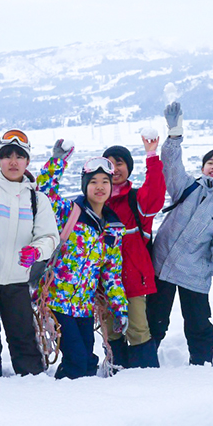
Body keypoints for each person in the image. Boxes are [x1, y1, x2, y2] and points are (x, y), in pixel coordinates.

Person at [146, 102, 213, 366]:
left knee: (198, 324)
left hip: (195, 272)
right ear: (203, 167)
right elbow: (171, 166)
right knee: (155, 320)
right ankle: (145, 363)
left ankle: (202, 364)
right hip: (163, 264)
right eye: (210, 162)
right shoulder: (186, 188)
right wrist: (174, 136)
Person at [0, 129, 59, 377]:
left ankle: (34, 386)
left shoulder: (37, 199)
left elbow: (49, 237)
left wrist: (36, 251)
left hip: (17, 281)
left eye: (20, 156)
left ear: (28, 161)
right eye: (7, 156)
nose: (13, 161)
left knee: (24, 340)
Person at [36, 142, 128, 379]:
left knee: (87, 361)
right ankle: (68, 405)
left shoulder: (113, 228)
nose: (100, 187)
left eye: (105, 182)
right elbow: (43, 192)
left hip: (84, 307)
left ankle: (70, 401)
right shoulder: (69, 212)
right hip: (57, 302)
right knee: (77, 359)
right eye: (94, 182)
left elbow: (111, 274)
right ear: (85, 186)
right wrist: (57, 161)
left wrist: (120, 308)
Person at [101, 135, 166, 368]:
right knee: (111, 329)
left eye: (119, 163)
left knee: (137, 328)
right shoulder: (98, 202)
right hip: (103, 279)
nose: (115, 169)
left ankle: (145, 375)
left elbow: (156, 193)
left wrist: (151, 155)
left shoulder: (135, 199)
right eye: (109, 163)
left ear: (128, 167)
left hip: (132, 277)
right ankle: (117, 371)